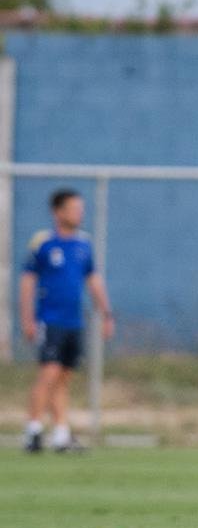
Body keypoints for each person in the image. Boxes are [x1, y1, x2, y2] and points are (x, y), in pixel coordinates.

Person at [20, 188, 115, 453]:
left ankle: (61, 436)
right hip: (49, 320)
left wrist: (106, 313)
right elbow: (27, 282)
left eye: (80, 209)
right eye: (73, 209)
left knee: (63, 378)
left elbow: (93, 279)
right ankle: (33, 430)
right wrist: (27, 318)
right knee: (48, 373)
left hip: (74, 322)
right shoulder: (42, 243)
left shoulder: (84, 244)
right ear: (58, 212)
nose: (79, 214)